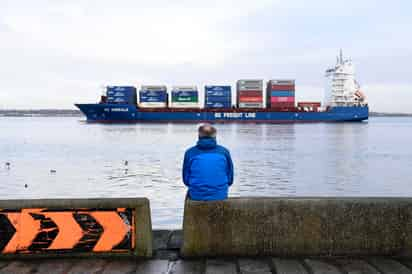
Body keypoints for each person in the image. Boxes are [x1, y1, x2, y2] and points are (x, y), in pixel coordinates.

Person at [182, 124, 234, 201]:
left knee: (189, 194)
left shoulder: (190, 152)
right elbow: (230, 179)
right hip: (220, 195)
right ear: (215, 136)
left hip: (197, 195)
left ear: (199, 135)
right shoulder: (224, 152)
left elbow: (186, 180)